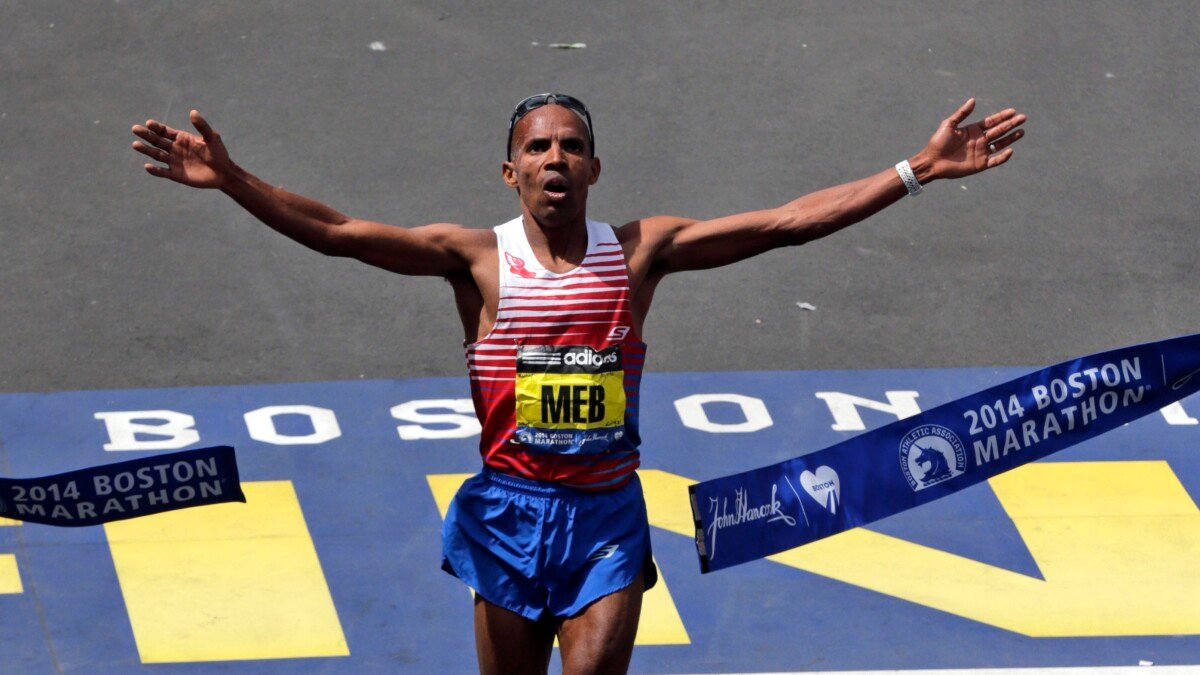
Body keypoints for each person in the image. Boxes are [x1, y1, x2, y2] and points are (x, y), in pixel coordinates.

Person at [131, 93, 1025, 674]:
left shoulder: (640, 252)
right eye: (537, 147)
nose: (555, 158)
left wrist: (918, 169)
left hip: (604, 517)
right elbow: (338, 232)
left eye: (572, 146)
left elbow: (786, 224)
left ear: (595, 168)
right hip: (508, 514)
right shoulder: (475, 259)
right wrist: (233, 179)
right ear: (511, 170)